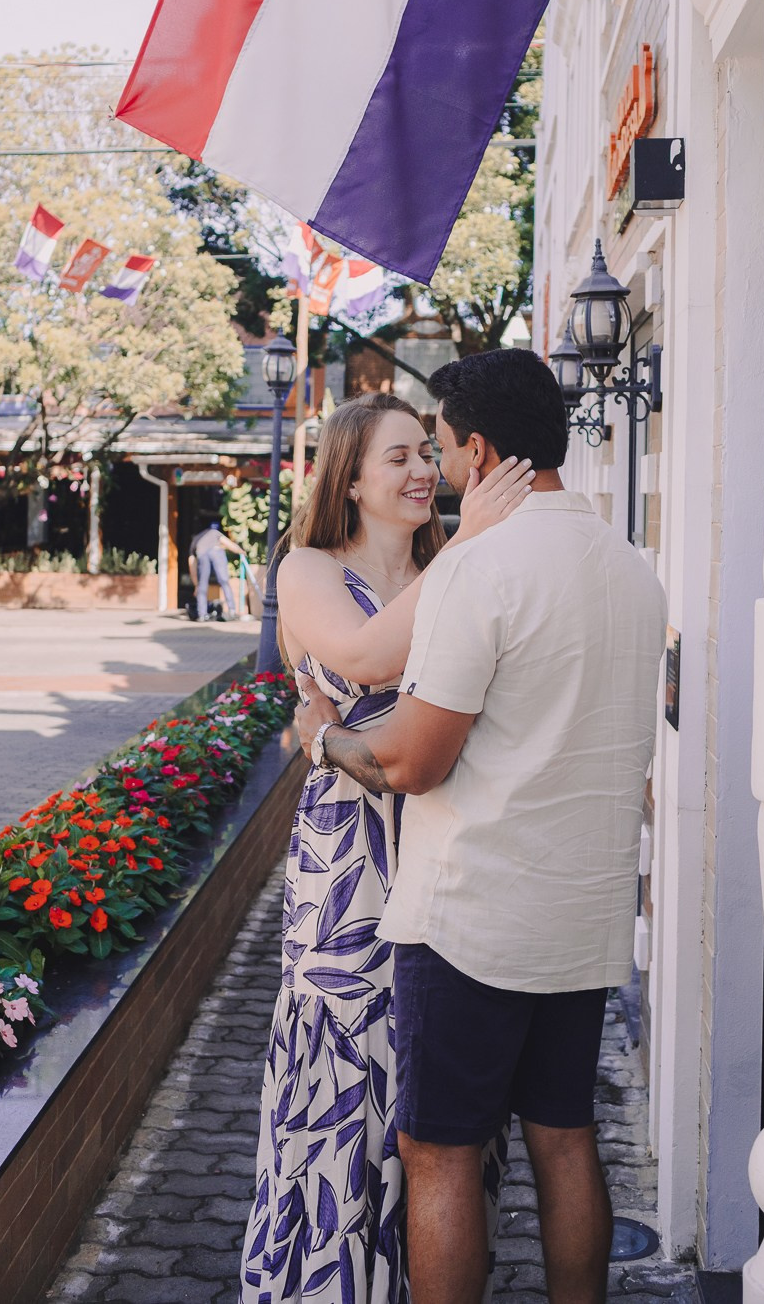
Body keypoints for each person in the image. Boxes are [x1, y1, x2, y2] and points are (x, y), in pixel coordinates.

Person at [295, 350, 668, 1304]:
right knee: (564, 1135)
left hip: (473, 915)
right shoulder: (632, 568)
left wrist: (323, 738)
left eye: (447, 447)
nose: (444, 468)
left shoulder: (481, 567)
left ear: (484, 446)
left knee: (441, 1151)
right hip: (585, 917)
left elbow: (416, 762)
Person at [240, 392, 535, 1304]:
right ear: (352, 478)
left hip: (450, 850)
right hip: (349, 868)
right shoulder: (308, 570)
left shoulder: (453, 563)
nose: (422, 472)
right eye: (397, 457)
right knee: (343, 1080)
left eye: (425, 454)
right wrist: (473, 550)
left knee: (434, 1093)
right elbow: (365, 659)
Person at [190, 521, 241, 621]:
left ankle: (202, 615)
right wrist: (241, 551)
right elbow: (228, 543)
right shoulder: (213, 532)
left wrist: (196, 585)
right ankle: (232, 610)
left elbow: (191, 565)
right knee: (224, 580)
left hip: (201, 553)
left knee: (202, 584)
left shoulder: (195, 541)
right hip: (215, 550)